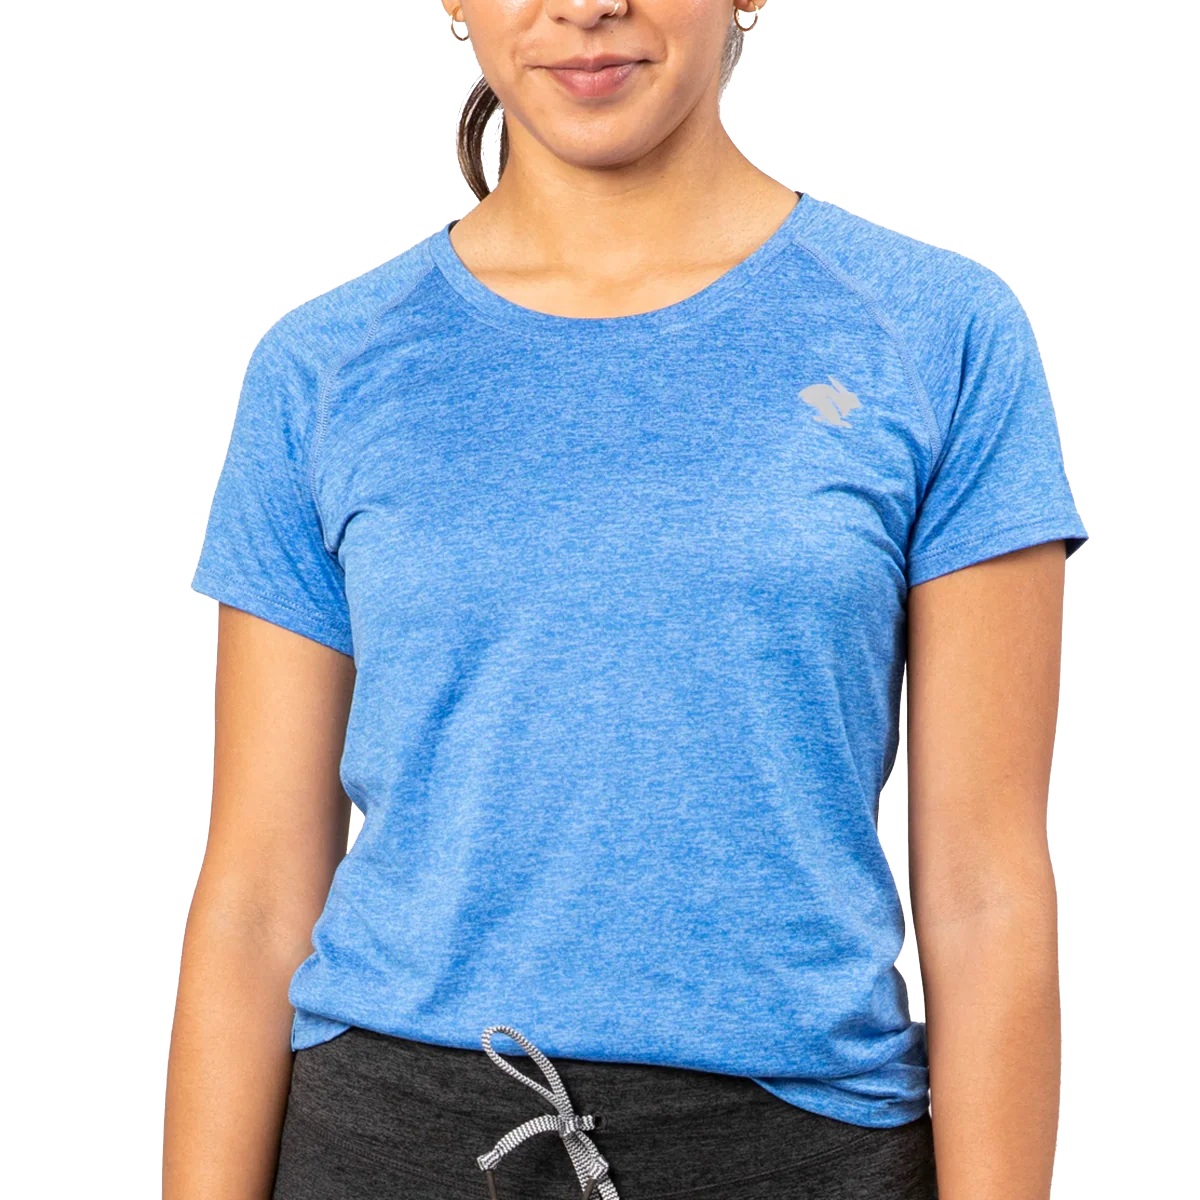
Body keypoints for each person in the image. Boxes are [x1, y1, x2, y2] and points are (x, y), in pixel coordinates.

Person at [163, 2, 1090, 1198]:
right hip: (391, 1144)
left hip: (800, 1155)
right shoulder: (325, 363)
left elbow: (984, 886)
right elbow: (255, 888)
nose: (586, 6)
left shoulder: (937, 332)